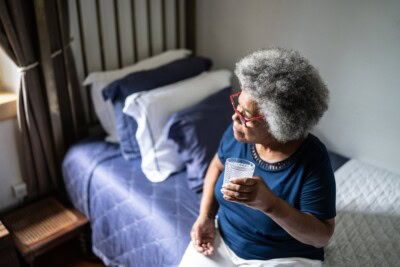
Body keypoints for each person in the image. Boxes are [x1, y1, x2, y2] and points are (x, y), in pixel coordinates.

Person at [179, 48, 335, 267]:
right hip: (222, 241)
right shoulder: (238, 134)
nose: (235, 116)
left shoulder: (312, 159)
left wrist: (270, 205)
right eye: (238, 105)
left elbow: (321, 236)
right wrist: (205, 215)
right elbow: (215, 166)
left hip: (281, 257)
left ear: (279, 125)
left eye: (246, 115)